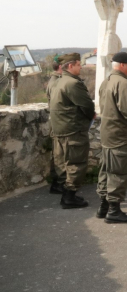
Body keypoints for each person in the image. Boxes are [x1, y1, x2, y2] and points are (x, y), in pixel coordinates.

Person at [96, 52, 127, 223]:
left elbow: (110, 105)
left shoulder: (107, 81)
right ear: (123, 65)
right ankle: (114, 211)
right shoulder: (124, 83)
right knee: (119, 172)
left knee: (106, 170)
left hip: (108, 133)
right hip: (120, 135)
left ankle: (103, 206)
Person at [49, 53, 96, 209]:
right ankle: (69, 196)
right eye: (78, 64)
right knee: (76, 163)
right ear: (70, 66)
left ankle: (65, 190)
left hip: (59, 129)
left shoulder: (58, 81)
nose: (80, 67)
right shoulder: (73, 83)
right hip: (73, 130)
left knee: (62, 163)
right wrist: (91, 116)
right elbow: (88, 106)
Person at [46, 54, 65, 194]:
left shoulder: (58, 81)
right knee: (59, 155)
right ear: (60, 67)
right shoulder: (55, 82)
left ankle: (59, 182)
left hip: (60, 122)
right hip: (58, 123)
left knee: (61, 154)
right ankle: (59, 183)